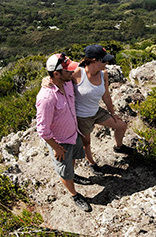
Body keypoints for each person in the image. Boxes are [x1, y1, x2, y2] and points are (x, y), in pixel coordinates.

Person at [35, 53, 92, 212]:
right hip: (61, 142)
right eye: (68, 71)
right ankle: (74, 194)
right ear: (56, 73)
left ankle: (72, 175)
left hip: (73, 134)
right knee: (64, 171)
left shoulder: (67, 82)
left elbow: (85, 72)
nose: (72, 73)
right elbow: (42, 130)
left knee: (71, 161)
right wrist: (56, 148)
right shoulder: (46, 97)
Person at [72, 44, 133, 173]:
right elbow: (59, 79)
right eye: (104, 60)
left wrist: (113, 113)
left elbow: (106, 95)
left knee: (121, 125)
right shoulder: (77, 73)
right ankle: (91, 163)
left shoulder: (103, 74)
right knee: (87, 142)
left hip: (96, 111)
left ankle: (119, 147)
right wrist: (46, 80)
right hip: (82, 116)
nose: (106, 63)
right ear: (94, 60)